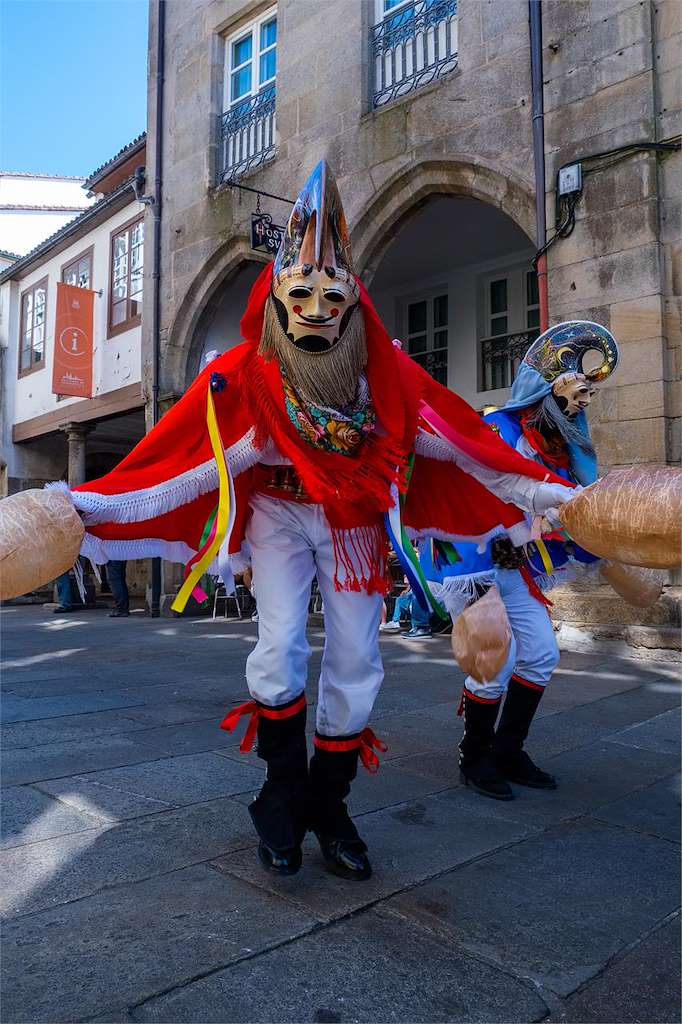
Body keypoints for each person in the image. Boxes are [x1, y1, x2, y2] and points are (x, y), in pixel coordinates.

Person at [59, 162, 575, 881]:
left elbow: (465, 439)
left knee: (358, 658)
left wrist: (559, 498)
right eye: (299, 291)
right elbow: (170, 462)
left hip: (354, 517)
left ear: (352, 299)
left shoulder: (384, 372)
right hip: (275, 513)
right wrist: (77, 508)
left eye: (331, 292)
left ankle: (329, 805)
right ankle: (282, 792)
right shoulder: (243, 373)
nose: (316, 305)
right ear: (276, 296)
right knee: (277, 647)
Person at [429, 322, 619, 801]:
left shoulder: (560, 452)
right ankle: (474, 759)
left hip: (510, 560)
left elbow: (558, 507)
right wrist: (544, 509)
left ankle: (508, 751)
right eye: (575, 394)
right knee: (493, 659)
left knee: (540, 655)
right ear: (548, 390)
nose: (580, 407)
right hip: (468, 555)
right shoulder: (496, 429)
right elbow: (489, 492)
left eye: (585, 399)